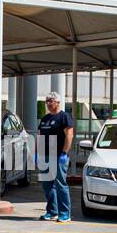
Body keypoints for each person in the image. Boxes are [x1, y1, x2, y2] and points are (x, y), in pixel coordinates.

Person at [37, 91, 74, 222]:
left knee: (60, 184)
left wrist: (64, 153)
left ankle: (65, 213)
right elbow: (40, 136)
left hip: (58, 156)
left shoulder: (64, 117)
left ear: (58, 102)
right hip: (45, 155)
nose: (48, 103)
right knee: (47, 185)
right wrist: (38, 153)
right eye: (46, 101)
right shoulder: (44, 119)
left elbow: (69, 136)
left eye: (51, 101)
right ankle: (52, 211)